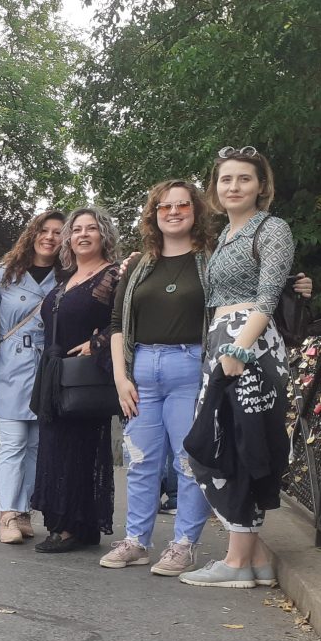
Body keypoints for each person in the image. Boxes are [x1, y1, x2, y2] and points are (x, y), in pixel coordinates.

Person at [180, 147, 295, 588]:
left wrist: (240, 350)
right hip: (222, 341)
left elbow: (268, 297)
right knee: (215, 444)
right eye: (226, 180)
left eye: (244, 179)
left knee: (239, 446)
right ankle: (258, 558)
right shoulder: (224, 236)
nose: (233, 187)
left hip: (250, 345)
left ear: (260, 186)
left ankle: (236, 564)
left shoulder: (272, 229)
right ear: (215, 188)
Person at [102, 181, 215, 575]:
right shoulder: (137, 265)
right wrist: (120, 378)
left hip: (191, 367)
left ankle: (184, 544)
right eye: (165, 206)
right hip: (142, 370)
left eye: (183, 205)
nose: (173, 211)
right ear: (154, 214)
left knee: (189, 461)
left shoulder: (210, 260)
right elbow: (117, 324)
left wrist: (297, 285)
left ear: (195, 211)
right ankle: (137, 541)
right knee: (141, 460)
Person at [31, 206, 121, 553]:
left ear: (103, 235)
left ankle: (72, 526)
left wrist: (97, 343)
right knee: (56, 445)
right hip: (56, 374)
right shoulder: (65, 277)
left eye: (91, 228)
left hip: (86, 375)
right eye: (77, 229)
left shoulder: (112, 275)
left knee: (80, 447)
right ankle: (71, 523)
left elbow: (123, 321)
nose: (83, 234)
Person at [0, 209, 65, 544]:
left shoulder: (68, 276)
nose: (49, 237)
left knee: (36, 444)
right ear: (32, 234)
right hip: (11, 365)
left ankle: (23, 511)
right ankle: (7, 513)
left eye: (58, 232)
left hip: (48, 366)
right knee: (14, 442)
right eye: (43, 230)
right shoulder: (4, 273)